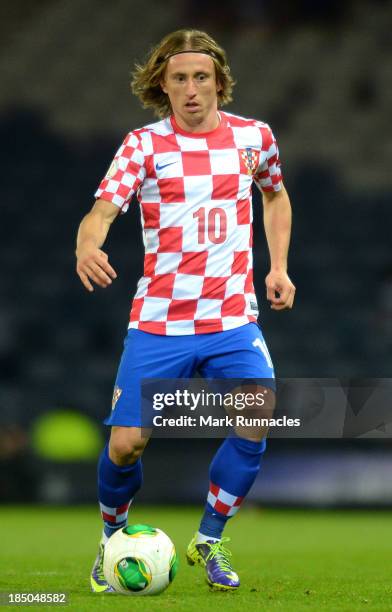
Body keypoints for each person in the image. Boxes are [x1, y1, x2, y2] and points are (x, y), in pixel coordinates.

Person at [75, 28, 295, 593]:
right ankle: (112, 540)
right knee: (126, 444)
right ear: (162, 86)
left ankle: (211, 537)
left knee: (257, 414)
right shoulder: (143, 145)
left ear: (219, 81)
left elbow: (275, 192)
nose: (192, 89)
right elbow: (102, 210)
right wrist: (87, 243)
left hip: (231, 318)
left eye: (202, 77)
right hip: (161, 319)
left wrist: (277, 266)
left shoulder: (254, 137)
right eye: (179, 79)